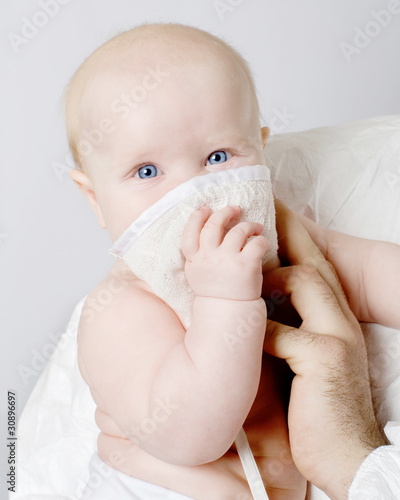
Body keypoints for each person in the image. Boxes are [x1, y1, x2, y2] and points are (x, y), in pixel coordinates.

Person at [64, 23, 400, 498]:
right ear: (94, 198)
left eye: (218, 157)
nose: (191, 195)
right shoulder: (121, 310)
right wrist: (223, 301)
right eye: (147, 171)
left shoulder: (276, 232)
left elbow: (364, 276)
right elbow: (192, 435)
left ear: (261, 148)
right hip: (182, 482)